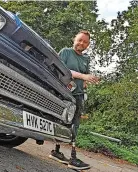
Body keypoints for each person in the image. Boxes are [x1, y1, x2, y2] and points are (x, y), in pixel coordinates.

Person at [49, 30, 99, 170]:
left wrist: (87, 81)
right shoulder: (66, 52)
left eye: (85, 42)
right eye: (80, 40)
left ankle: (57, 152)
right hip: (64, 94)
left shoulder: (85, 59)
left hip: (78, 95)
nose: (81, 43)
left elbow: (83, 77)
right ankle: (72, 158)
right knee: (64, 121)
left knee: (75, 124)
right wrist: (83, 76)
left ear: (88, 45)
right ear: (74, 39)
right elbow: (60, 70)